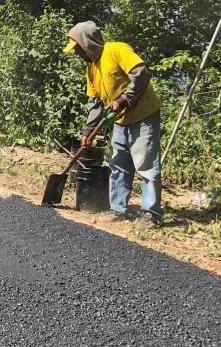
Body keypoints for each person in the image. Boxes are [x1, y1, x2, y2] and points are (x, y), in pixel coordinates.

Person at [63, 21, 163, 227]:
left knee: (146, 166)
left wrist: (125, 99)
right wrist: (87, 131)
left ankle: (151, 213)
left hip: (143, 115)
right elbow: (95, 103)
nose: (76, 54)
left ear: (87, 43)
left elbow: (141, 73)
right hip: (120, 120)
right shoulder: (91, 69)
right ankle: (119, 209)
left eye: (78, 49)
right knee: (118, 164)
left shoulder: (116, 50)